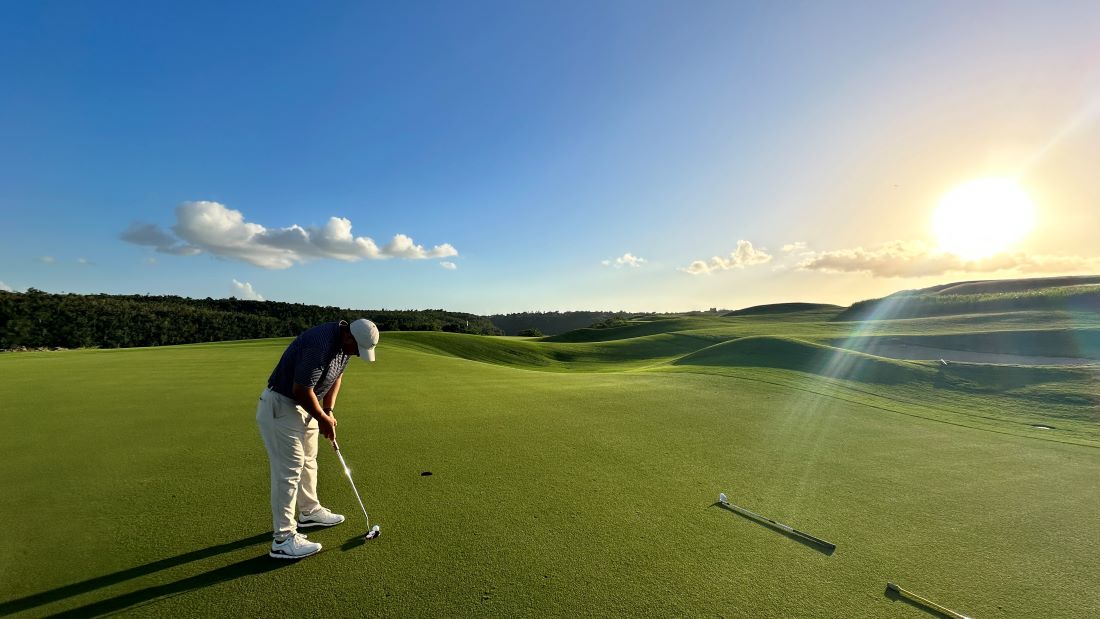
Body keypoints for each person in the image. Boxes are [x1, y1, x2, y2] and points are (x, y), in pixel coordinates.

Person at [257, 318, 379, 559]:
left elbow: (336, 378)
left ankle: (309, 512)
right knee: (289, 471)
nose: (356, 354)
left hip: (305, 407)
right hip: (282, 406)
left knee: (309, 461)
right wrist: (322, 418)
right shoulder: (319, 345)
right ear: (348, 337)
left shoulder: (344, 348)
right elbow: (300, 390)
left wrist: (328, 411)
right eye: (357, 349)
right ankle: (282, 539)